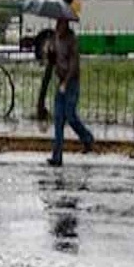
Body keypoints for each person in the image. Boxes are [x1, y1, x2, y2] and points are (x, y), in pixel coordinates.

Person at [47, 18, 93, 167]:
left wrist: (66, 83)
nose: (58, 27)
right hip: (61, 81)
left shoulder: (71, 40)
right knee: (59, 119)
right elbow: (52, 60)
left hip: (71, 83)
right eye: (57, 24)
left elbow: (74, 65)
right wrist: (49, 52)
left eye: (61, 24)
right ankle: (57, 156)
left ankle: (87, 138)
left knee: (70, 115)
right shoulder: (55, 38)